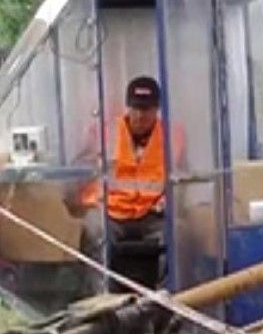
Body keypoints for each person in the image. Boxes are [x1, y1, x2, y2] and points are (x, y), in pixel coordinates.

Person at [73, 75, 185, 287]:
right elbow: (81, 170)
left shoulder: (173, 135)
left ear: (157, 109)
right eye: (136, 108)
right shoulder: (105, 133)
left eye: (147, 109)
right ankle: (103, 301)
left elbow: (184, 177)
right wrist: (93, 199)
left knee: (177, 234)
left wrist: (171, 201)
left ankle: (164, 303)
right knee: (94, 232)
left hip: (153, 213)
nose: (140, 115)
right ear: (128, 107)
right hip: (111, 211)